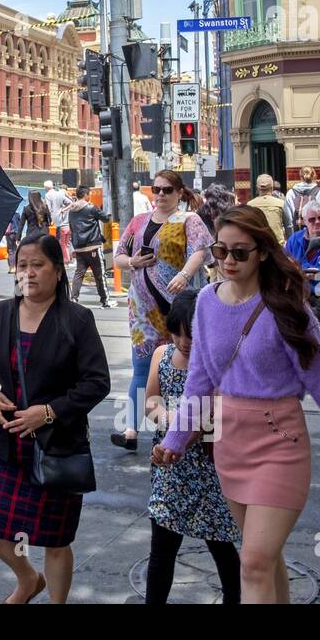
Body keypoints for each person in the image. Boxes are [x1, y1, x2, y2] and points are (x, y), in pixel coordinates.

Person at [154, 206, 320, 603]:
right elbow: (200, 379)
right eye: (220, 251)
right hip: (230, 443)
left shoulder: (286, 307)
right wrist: (175, 439)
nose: (228, 261)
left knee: (252, 562)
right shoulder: (205, 301)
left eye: (240, 252)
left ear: (264, 252)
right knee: (265, 561)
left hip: (279, 443)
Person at [0, 233, 110, 603]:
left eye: (38, 265)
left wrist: (49, 412)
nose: (28, 273)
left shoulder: (76, 319)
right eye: (23, 265)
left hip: (58, 448)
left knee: (55, 539)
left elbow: (97, 382)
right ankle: (28, 578)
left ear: (58, 271)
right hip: (9, 443)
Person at [143, 290, 241, 605]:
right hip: (170, 469)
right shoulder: (162, 355)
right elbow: (150, 402)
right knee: (161, 550)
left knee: (222, 546)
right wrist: (167, 418)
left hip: (209, 470)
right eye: (177, 333)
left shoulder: (218, 363)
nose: (184, 341)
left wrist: (181, 432)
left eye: (192, 334)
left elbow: (215, 417)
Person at [111, 169, 211, 452]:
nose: (161, 195)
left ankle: (191, 428)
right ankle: (131, 430)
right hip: (142, 309)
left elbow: (199, 251)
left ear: (180, 193)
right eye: (156, 190)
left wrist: (184, 274)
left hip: (178, 308)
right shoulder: (139, 221)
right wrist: (132, 262)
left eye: (168, 190)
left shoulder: (189, 220)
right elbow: (118, 256)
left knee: (188, 364)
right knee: (142, 367)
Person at [66, 187, 115, 309]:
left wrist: (73, 248)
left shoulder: (71, 210)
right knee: (100, 274)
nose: (90, 196)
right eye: (89, 194)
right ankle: (105, 301)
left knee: (79, 274)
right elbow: (106, 218)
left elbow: (72, 228)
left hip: (79, 247)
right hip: (92, 246)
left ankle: (73, 299)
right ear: (86, 195)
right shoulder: (91, 208)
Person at [283, 166, 320, 232]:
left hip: (297, 235)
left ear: (300, 176)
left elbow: (288, 220)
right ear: (314, 176)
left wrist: (292, 238)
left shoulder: (290, 193)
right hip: (318, 236)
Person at [248, 173, 290, 246]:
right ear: (272, 187)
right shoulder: (281, 203)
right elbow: (289, 225)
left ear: (257, 188)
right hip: (277, 245)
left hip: (258, 246)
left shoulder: (250, 205)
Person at [45, 180, 72, 264]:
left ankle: (56, 259)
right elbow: (70, 203)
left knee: (53, 242)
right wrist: (62, 210)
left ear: (46, 188)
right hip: (61, 220)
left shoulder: (47, 195)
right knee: (62, 242)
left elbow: (48, 209)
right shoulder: (59, 194)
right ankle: (63, 259)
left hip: (53, 221)